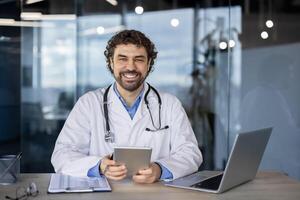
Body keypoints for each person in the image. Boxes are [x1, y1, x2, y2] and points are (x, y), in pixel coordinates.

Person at [51, 29, 202, 183]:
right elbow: (62, 154)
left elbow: (190, 153)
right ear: (111, 62)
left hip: (155, 194)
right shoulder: (88, 104)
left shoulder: (170, 104)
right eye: (122, 59)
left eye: (139, 59)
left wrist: (159, 170)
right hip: (104, 195)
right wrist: (99, 166)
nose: (130, 67)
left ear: (149, 63)